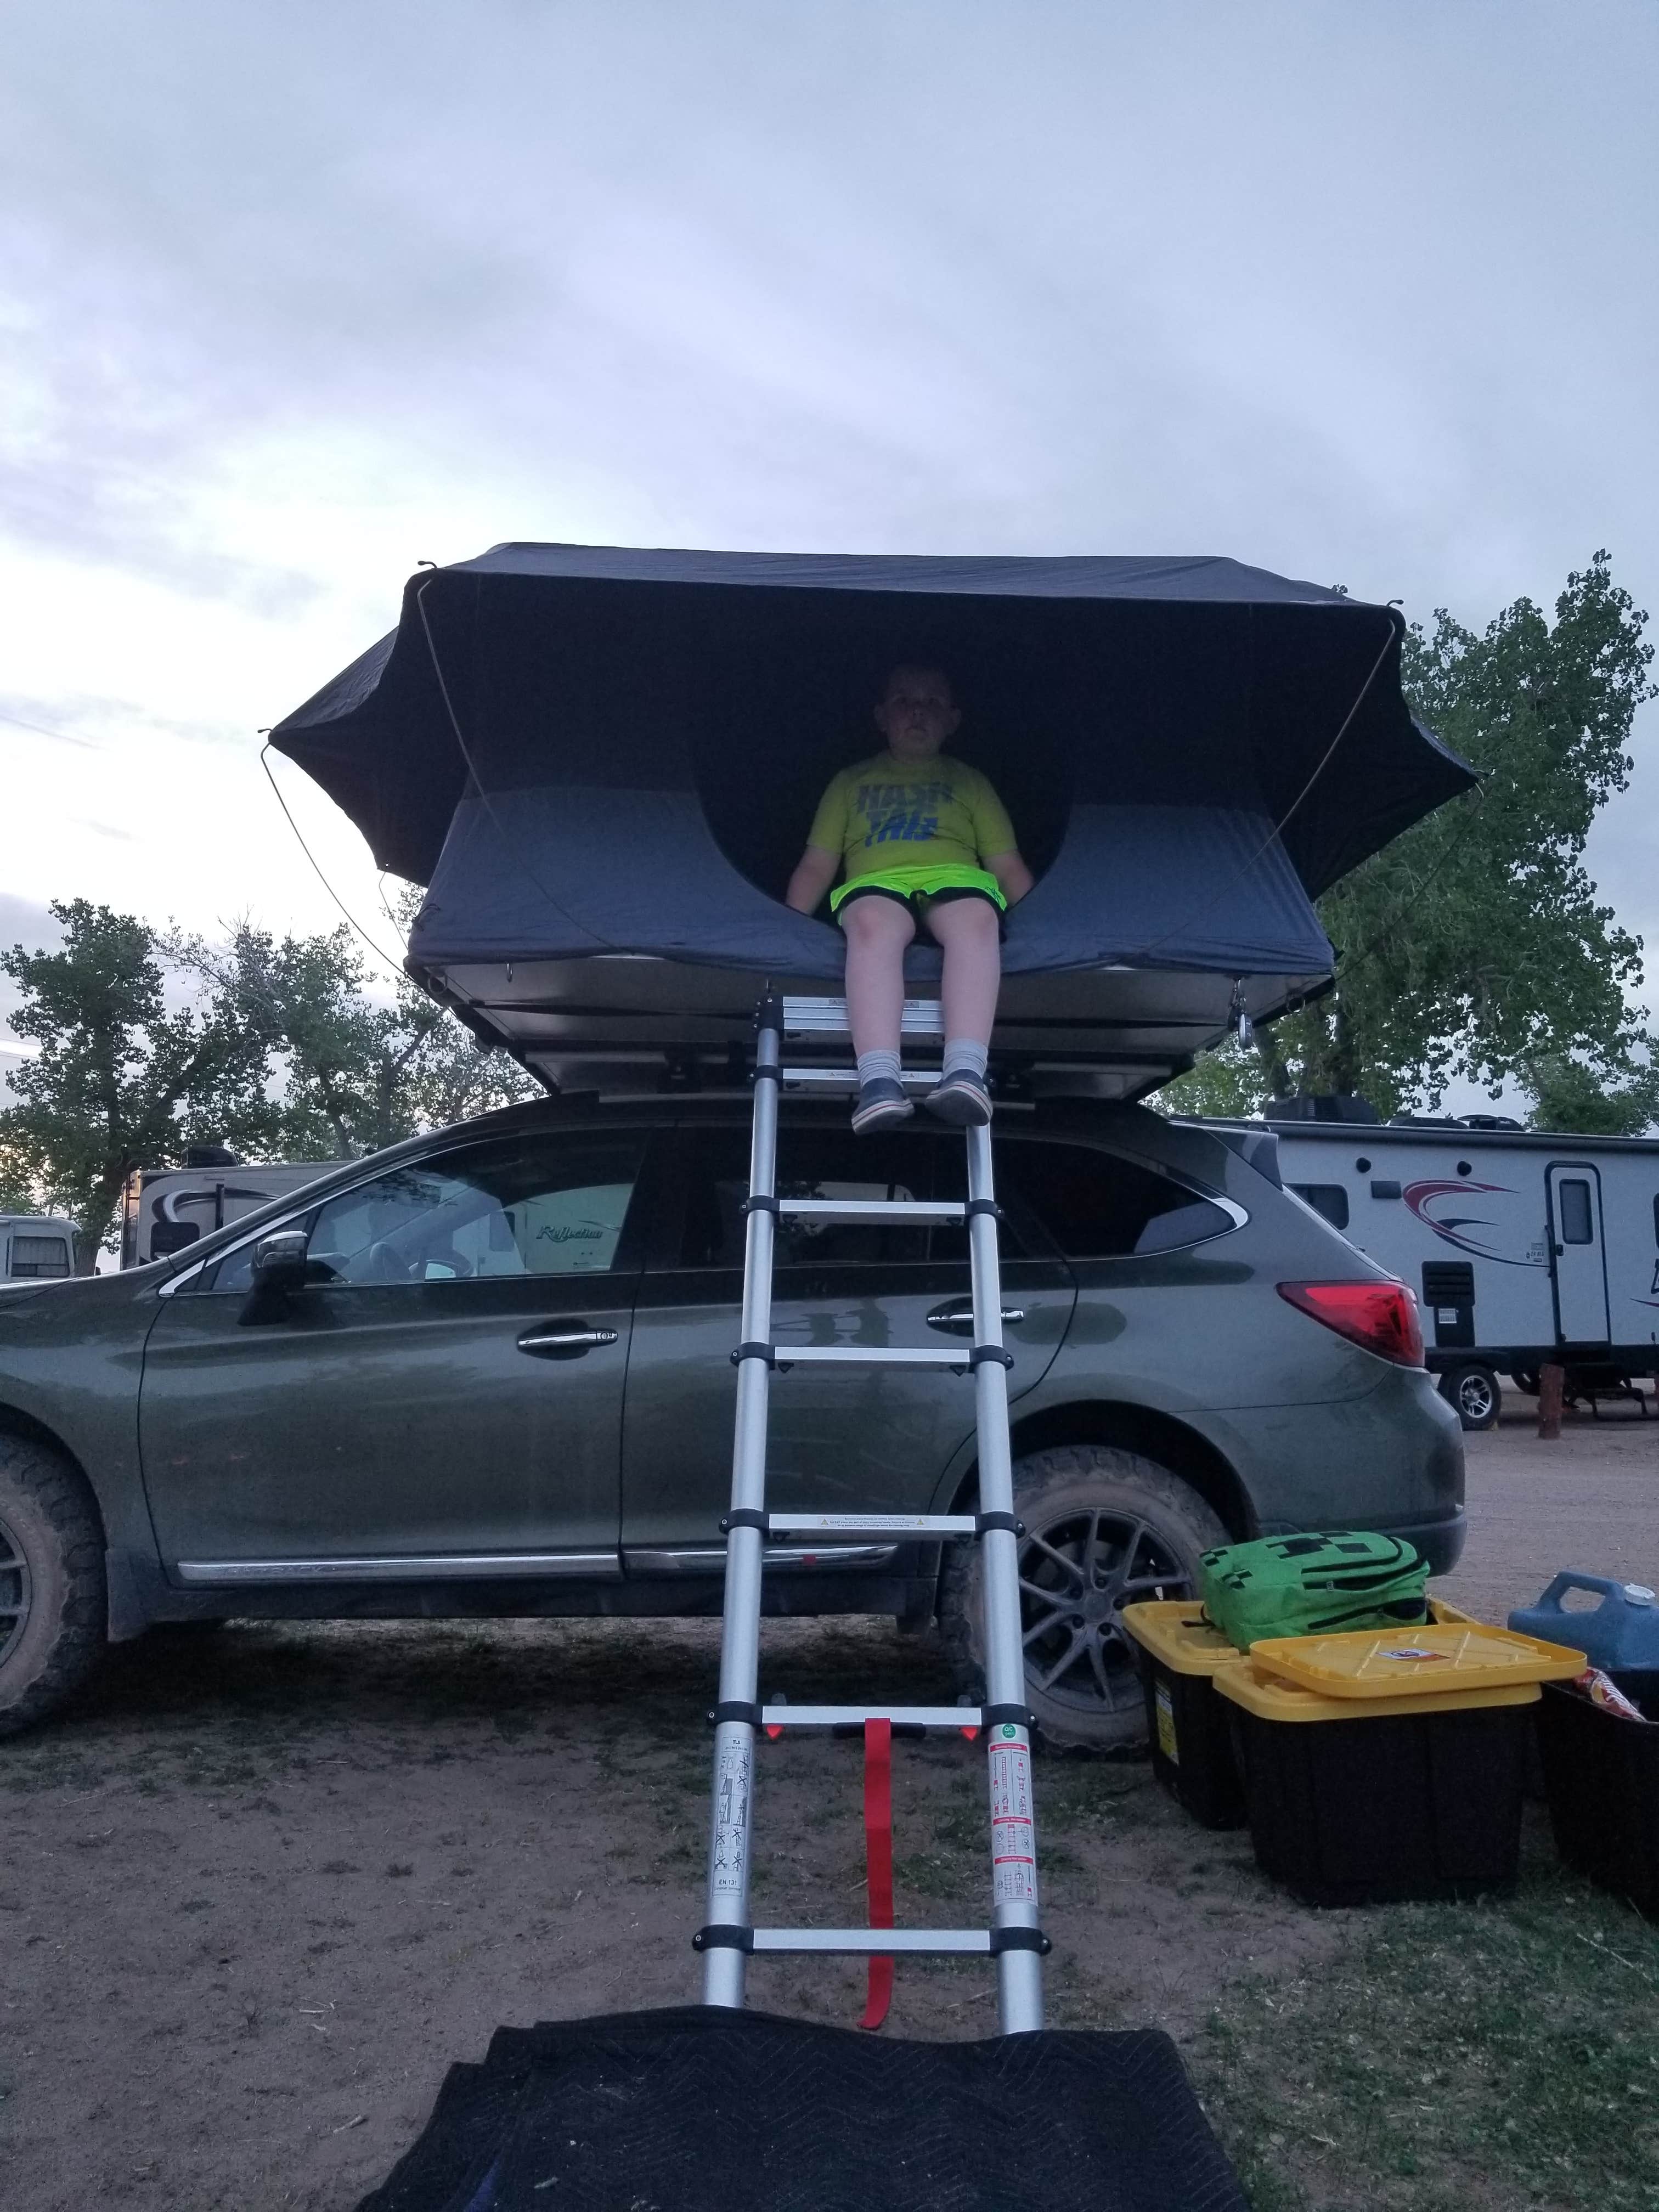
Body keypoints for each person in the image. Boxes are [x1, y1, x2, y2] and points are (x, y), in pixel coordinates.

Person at [785, 664, 1034, 1132]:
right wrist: (787, 926)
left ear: (954, 720)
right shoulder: (850, 782)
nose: (918, 710)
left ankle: (965, 1072)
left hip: (955, 878)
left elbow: (1006, 866)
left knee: (978, 920)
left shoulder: (971, 783)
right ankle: (879, 1081)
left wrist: (1042, 926)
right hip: (878, 881)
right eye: (904, 700)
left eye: (933, 702)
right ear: (881, 717)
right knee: (873, 928)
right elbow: (818, 865)